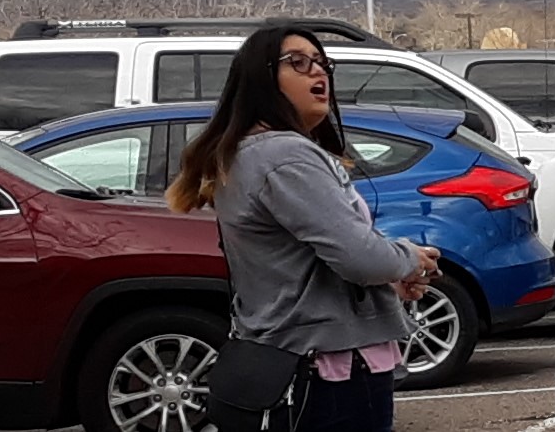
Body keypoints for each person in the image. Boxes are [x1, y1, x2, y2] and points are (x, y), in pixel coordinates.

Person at [170, 25, 440, 432]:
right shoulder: (285, 154)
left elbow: (302, 264)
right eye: (298, 62)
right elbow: (359, 256)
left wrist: (387, 282)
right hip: (329, 370)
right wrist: (407, 259)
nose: (318, 73)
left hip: (285, 358)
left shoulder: (246, 153)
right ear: (262, 79)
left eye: (322, 63)